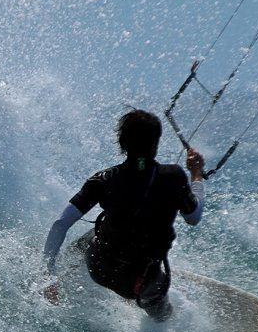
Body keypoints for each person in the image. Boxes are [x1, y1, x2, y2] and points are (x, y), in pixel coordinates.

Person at [42, 109, 205, 320]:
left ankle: (57, 280)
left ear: (122, 143)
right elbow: (194, 218)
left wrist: (47, 275)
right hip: (141, 282)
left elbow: (60, 224)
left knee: (89, 238)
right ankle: (162, 317)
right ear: (155, 144)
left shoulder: (103, 179)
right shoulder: (174, 177)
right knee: (164, 316)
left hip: (100, 268)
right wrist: (196, 174)